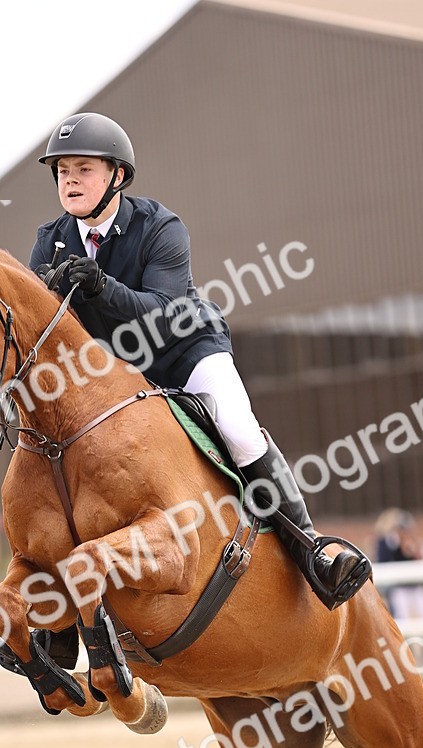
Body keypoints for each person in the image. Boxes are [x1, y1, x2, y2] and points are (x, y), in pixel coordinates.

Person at [29, 113, 371, 610]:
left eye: (83, 168)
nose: (70, 180)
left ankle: (312, 551)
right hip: (117, 375)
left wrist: (102, 287)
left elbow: (163, 315)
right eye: (62, 171)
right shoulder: (51, 240)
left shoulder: (161, 227)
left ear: (117, 176)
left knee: (237, 427)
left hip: (184, 352)